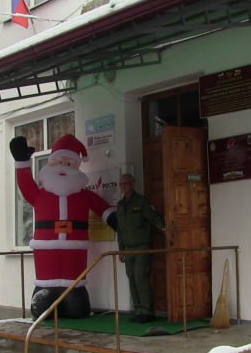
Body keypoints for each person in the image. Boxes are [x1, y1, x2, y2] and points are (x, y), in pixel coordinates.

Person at [9, 134, 118, 319]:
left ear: (77, 166)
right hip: (46, 248)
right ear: (51, 163)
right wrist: (22, 162)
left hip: (75, 250)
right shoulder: (39, 194)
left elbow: (101, 208)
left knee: (77, 305)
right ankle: (44, 293)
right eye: (59, 162)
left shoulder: (84, 195)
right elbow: (25, 184)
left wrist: (115, 220)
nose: (63, 167)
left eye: (69, 163)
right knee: (43, 301)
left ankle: (74, 295)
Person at [116, 173, 165, 323]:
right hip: (128, 248)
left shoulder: (141, 202)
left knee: (140, 277)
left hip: (141, 246)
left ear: (133, 184)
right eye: (121, 184)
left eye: (126, 184)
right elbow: (120, 229)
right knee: (131, 278)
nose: (123, 187)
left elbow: (153, 217)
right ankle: (138, 310)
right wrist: (121, 249)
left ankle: (147, 311)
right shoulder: (120, 205)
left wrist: (164, 229)